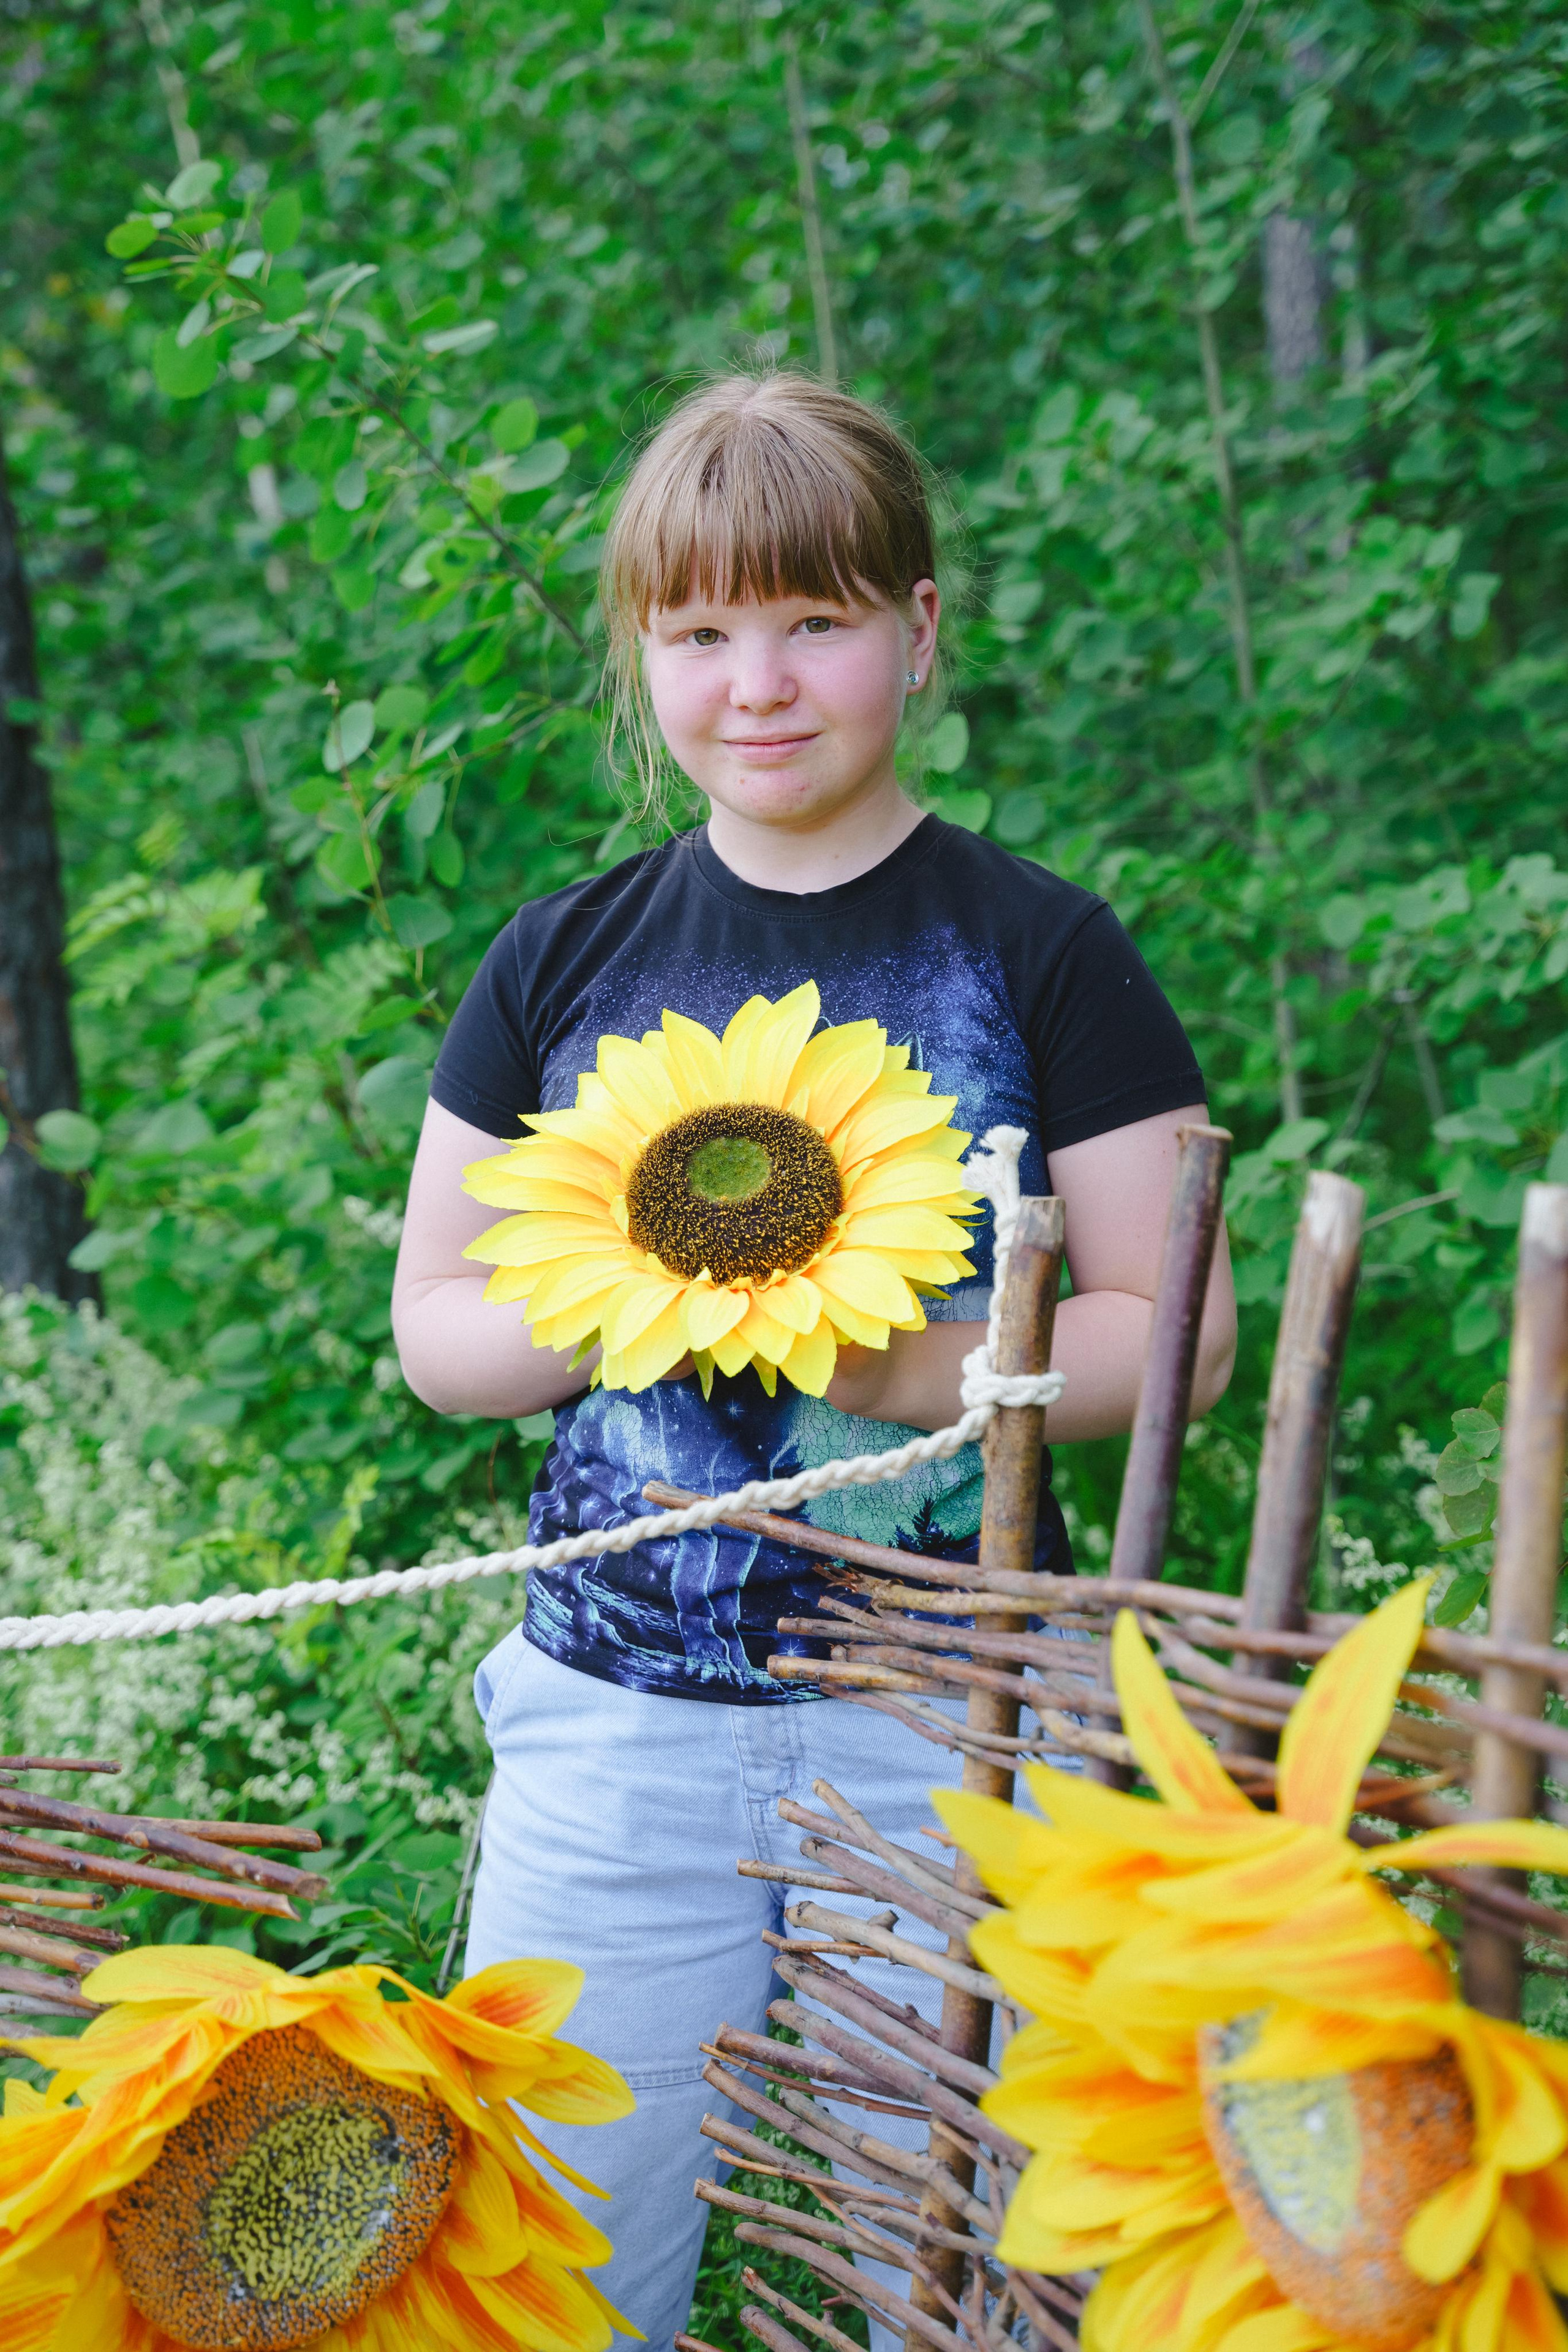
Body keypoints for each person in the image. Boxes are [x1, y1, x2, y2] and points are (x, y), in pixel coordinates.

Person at [391, 372, 1235, 2349]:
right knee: (550, 2286)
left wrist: (910, 1367)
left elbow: (1175, 1336)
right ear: (643, 655)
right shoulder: (561, 960)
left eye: (815, 621)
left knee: (961, 2287)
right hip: (611, 1738)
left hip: (948, 1737)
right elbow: (438, 1331)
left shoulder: (1044, 951)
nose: (758, 684)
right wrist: (644, 1286)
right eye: (699, 633)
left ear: (918, 630)